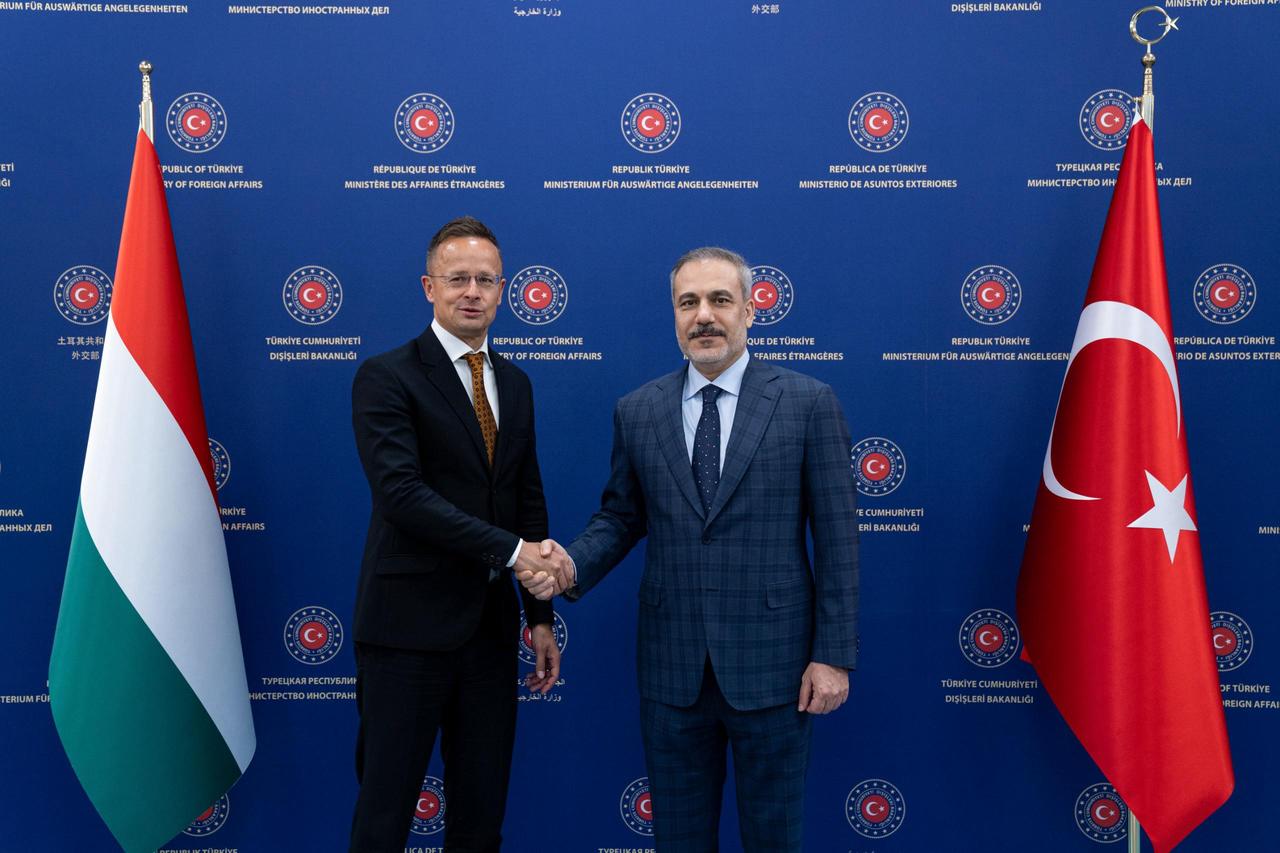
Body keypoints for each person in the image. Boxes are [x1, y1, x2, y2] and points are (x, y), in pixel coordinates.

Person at [521, 246, 859, 852]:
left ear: (751, 310)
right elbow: (622, 517)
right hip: (672, 670)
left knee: (775, 841)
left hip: (776, 671)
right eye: (688, 303)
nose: (704, 315)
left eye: (719, 300)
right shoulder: (638, 410)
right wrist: (570, 564)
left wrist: (832, 656)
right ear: (674, 315)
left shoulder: (809, 403)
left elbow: (837, 541)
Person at [349, 216, 571, 852]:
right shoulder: (386, 376)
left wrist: (540, 616)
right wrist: (512, 551)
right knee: (384, 813)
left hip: (488, 635)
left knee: (480, 816)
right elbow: (402, 496)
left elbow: (526, 499)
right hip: (404, 635)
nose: (471, 291)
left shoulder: (518, 383)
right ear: (429, 287)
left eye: (485, 279)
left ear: (502, 291)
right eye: (457, 279)